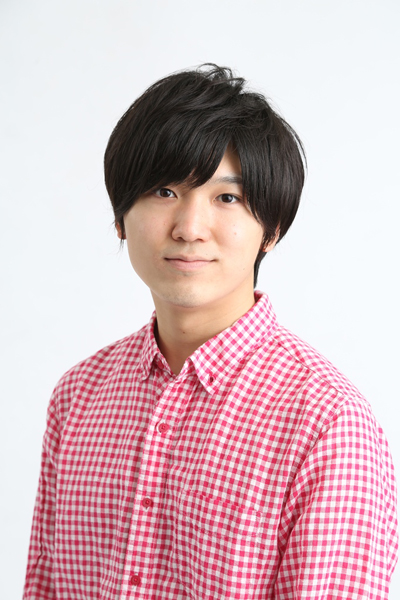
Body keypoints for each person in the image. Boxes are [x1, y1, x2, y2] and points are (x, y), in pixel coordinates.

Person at [23, 64, 398, 599]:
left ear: (272, 228)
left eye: (227, 198)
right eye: (164, 190)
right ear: (120, 217)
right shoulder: (79, 396)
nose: (189, 228)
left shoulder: (327, 424)